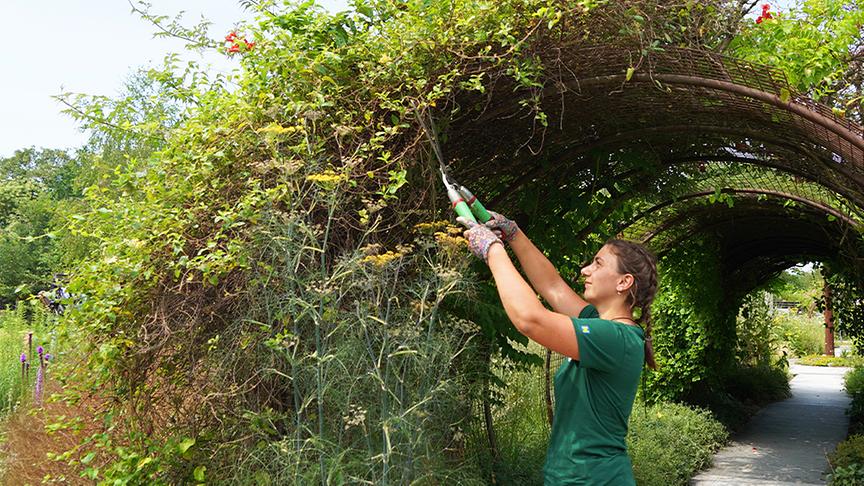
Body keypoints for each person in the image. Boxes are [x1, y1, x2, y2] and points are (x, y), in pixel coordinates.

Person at [458, 211, 658, 485]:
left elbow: (531, 319)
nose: (585, 270)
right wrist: (514, 233)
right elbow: (552, 286)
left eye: (598, 264)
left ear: (624, 282)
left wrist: (493, 250)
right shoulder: (597, 324)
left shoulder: (616, 338)